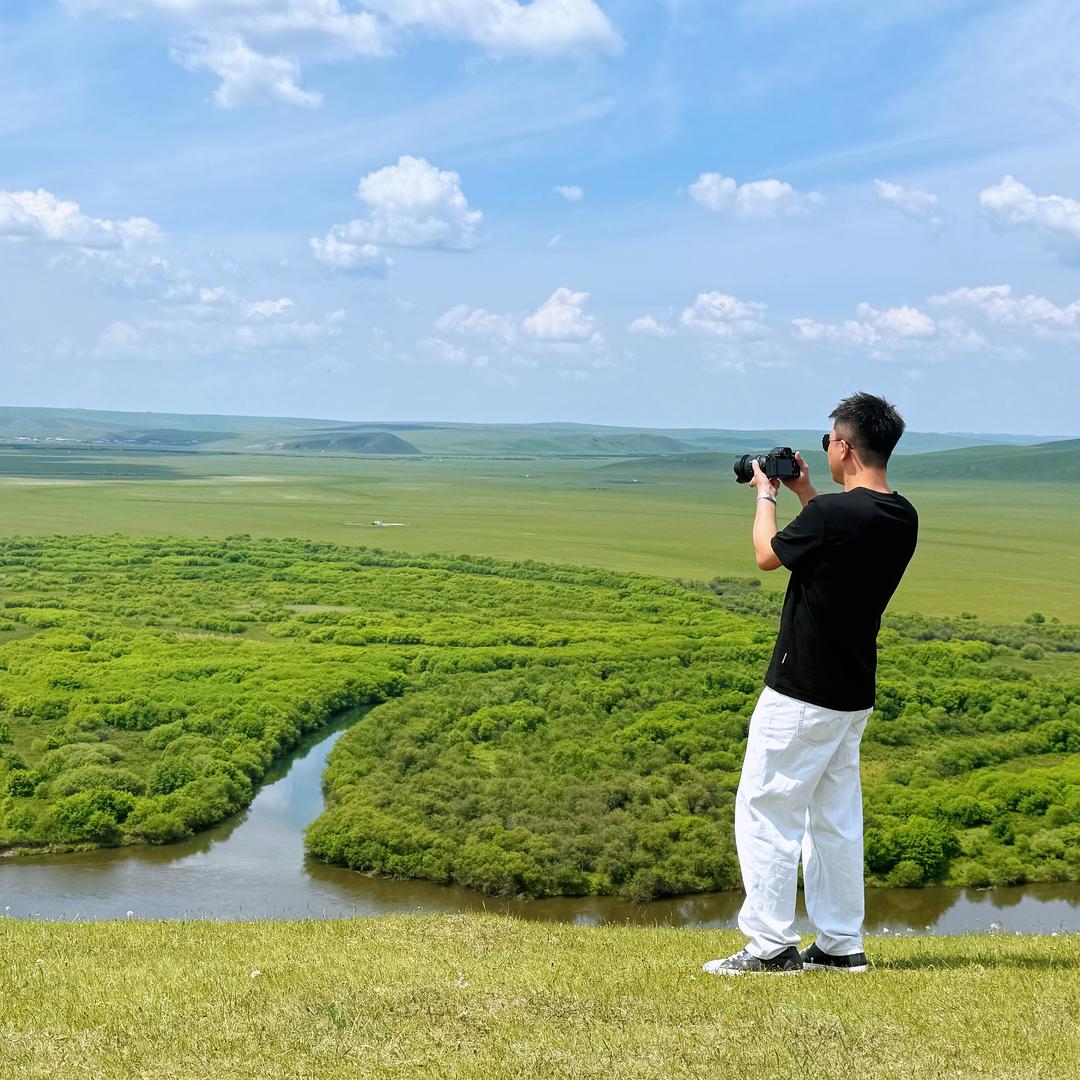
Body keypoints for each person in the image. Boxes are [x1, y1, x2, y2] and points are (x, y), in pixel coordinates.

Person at [703, 392, 919, 975]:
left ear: (843, 446)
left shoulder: (832, 517)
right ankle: (840, 944)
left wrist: (767, 495)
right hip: (852, 695)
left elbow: (768, 556)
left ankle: (770, 946)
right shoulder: (900, 514)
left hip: (800, 690)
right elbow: (841, 526)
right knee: (835, 819)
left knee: (766, 811)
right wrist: (805, 493)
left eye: (830, 442)